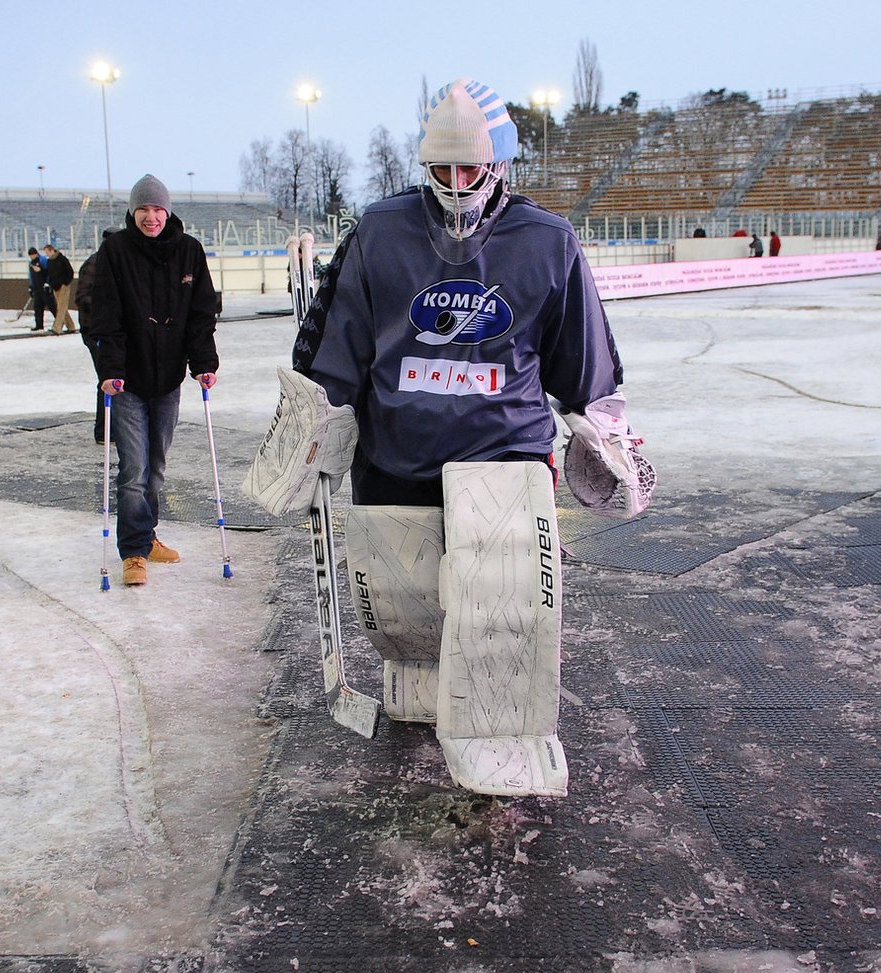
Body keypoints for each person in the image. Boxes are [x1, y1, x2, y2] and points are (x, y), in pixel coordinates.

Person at [251, 77, 652, 797]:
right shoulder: (379, 231)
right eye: (443, 170)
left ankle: (508, 731)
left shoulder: (547, 241)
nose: (458, 185)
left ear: (501, 164)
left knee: (501, 603)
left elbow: (584, 360)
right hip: (394, 455)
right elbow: (334, 342)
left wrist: (602, 430)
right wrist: (310, 428)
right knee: (403, 610)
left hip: (503, 457)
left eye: (471, 170)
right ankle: (424, 673)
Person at [91, 174, 219, 587]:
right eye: (143, 209)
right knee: (134, 469)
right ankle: (132, 551)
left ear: (168, 211)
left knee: (157, 468)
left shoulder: (189, 252)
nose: (151, 217)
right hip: (127, 381)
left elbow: (201, 315)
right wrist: (109, 370)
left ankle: (146, 537)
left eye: (157, 209)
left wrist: (203, 362)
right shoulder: (115, 251)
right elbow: (104, 316)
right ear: (133, 211)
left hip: (168, 380)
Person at [76, 227, 121, 444]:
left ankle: (114, 428)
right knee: (107, 378)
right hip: (94, 331)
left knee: (116, 378)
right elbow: (82, 297)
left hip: (111, 331)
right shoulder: (95, 263)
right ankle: (104, 431)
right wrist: (106, 307)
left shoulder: (117, 263)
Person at [42, 244, 76, 333]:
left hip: (63, 286)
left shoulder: (62, 259)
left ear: (51, 250)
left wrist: (65, 283)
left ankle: (57, 328)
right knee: (61, 307)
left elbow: (70, 272)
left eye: (47, 252)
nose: (46, 254)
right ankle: (71, 326)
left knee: (61, 307)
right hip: (55, 286)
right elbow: (50, 274)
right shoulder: (50, 262)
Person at [26, 246, 57, 333]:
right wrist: (31, 287)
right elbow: (31, 276)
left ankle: (59, 322)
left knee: (52, 307)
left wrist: (48, 283)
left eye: (33, 255)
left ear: (36, 254)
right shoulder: (31, 263)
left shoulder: (43, 260)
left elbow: (49, 272)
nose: (32, 257)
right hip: (37, 288)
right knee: (37, 307)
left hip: (44, 287)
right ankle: (39, 325)